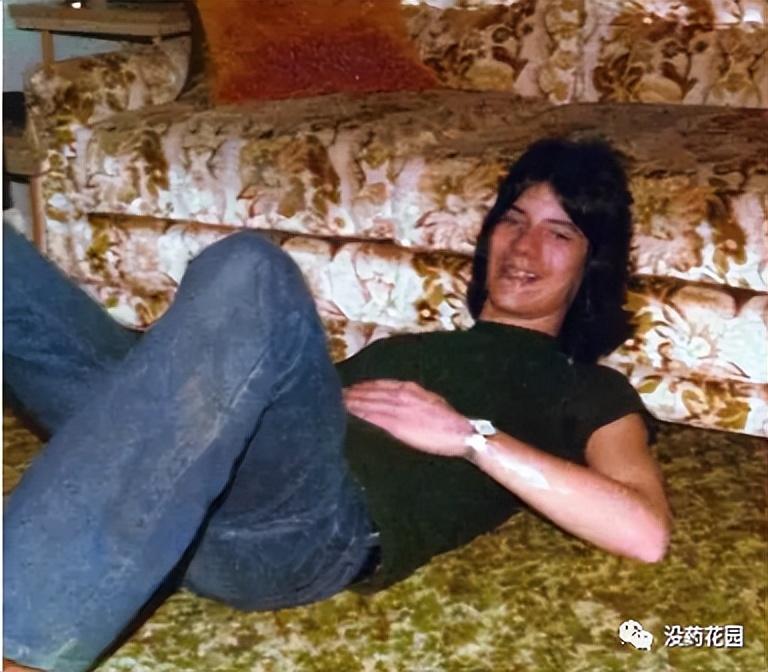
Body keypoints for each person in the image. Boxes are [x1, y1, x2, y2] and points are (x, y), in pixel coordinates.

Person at [3, 137, 672, 672]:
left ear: (591, 269)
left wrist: (468, 436)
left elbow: (644, 532)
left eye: (560, 234)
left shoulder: (586, 386)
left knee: (251, 268)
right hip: (191, 490)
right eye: (514, 221)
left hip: (310, 529)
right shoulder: (411, 345)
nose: (525, 246)